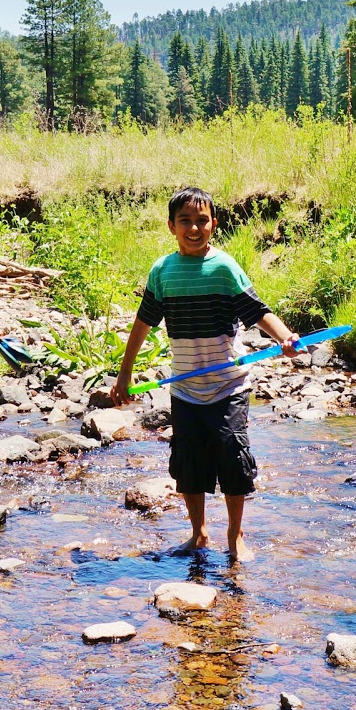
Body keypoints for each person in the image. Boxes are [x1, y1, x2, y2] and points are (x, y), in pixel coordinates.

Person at [108, 187, 298, 562]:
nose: (194, 228)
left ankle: (235, 534)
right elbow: (143, 322)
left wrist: (286, 337)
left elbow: (258, 311)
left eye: (202, 221)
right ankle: (198, 534)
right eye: (185, 221)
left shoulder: (225, 268)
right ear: (171, 226)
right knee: (188, 464)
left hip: (228, 386)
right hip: (185, 389)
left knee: (233, 458)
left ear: (214, 224)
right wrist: (124, 373)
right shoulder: (163, 271)